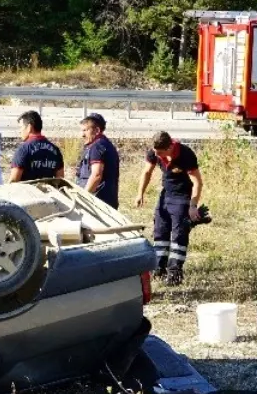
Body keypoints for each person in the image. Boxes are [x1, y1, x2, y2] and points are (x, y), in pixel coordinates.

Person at [136, 131, 203, 285]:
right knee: (160, 232)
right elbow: (147, 172)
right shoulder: (154, 152)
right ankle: (158, 269)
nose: (157, 155)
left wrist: (193, 206)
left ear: (170, 147)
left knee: (179, 235)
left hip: (182, 197)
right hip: (165, 195)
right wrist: (140, 193)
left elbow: (198, 182)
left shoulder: (186, 154)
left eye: (160, 152)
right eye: (155, 152)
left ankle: (175, 274)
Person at [76, 113, 120, 208]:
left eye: (85, 130)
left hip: (97, 202)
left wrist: (83, 197)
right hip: (107, 201)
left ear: (97, 130)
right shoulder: (107, 145)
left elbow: (96, 175)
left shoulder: (96, 147)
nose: (82, 135)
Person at [9, 110, 64, 182]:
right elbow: (60, 180)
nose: (20, 131)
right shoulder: (55, 150)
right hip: (47, 192)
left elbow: (14, 180)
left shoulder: (23, 149)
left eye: (21, 127)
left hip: (26, 192)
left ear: (29, 127)